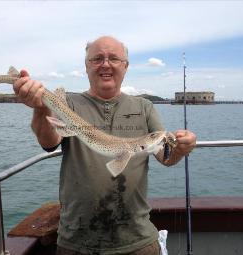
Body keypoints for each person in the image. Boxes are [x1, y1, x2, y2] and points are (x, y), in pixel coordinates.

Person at [13, 36, 196, 255]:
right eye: (97, 58)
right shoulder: (69, 104)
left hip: (138, 239)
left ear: (125, 66)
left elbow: (167, 157)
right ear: (86, 66)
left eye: (114, 59)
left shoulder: (144, 107)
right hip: (77, 240)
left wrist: (182, 148)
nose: (105, 64)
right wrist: (40, 107)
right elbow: (48, 142)